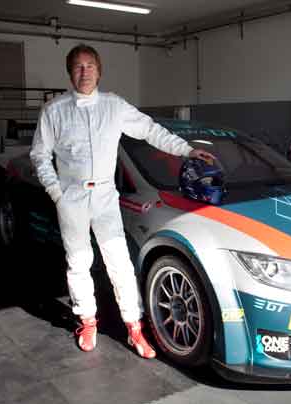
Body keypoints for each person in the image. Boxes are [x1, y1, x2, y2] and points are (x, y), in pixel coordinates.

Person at [30, 44, 215, 358]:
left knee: (120, 264)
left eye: (90, 66)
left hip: (104, 196)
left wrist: (186, 150)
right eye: (78, 66)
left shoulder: (114, 107)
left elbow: (150, 131)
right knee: (78, 263)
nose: (84, 72)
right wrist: (57, 193)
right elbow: (39, 155)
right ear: (69, 72)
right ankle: (87, 320)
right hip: (71, 196)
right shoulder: (54, 110)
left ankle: (134, 327)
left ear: (100, 71)